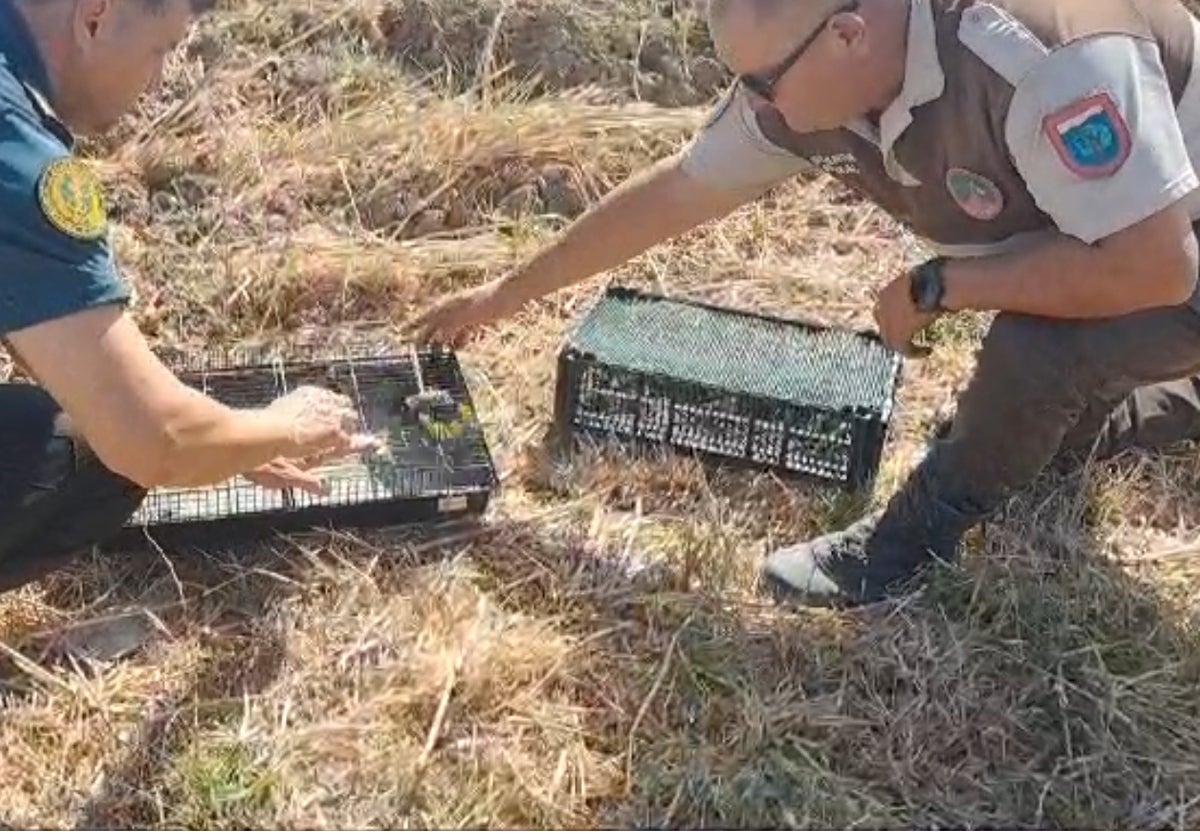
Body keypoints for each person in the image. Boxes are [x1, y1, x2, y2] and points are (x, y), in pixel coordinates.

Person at [411, 0, 1200, 607]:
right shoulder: (812, 77)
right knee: (1042, 419)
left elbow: (1156, 268)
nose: (758, 105)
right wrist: (506, 292)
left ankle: (908, 541)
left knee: (1037, 352)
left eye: (763, 81)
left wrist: (941, 287)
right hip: (1131, 231)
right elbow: (679, 191)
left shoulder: (1038, 57)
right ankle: (1142, 408)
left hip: (1177, 245)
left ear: (849, 35)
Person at [0, 0, 376, 592]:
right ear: (95, 14)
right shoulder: (15, 161)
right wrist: (285, 428)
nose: (157, 82)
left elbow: (30, 308)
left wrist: (229, 438)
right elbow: (153, 440)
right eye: (162, 49)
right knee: (93, 458)